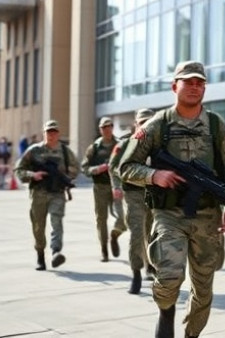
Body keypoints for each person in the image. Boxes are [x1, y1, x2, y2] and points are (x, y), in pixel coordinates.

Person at [118, 60, 225, 338]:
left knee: (203, 287)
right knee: (169, 276)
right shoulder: (156, 125)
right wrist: (154, 175)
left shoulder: (215, 125)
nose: (194, 87)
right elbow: (125, 167)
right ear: (175, 86)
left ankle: (191, 333)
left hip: (208, 216)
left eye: (200, 83)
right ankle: (166, 312)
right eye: (189, 82)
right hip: (169, 213)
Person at [15, 120, 79, 270]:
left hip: (57, 193)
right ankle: (40, 256)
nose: (51, 135)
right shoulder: (34, 150)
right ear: (44, 133)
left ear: (58, 134)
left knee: (57, 222)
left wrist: (65, 175)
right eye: (48, 132)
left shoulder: (65, 151)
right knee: (38, 226)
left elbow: (76, 168)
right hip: (38, 193)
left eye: (54, 132)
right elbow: (18, 170)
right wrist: (32, 174)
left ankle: (56, 251)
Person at [110, 108, 157, 294]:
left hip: (154, 195)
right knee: (137, 233)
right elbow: (113, 167)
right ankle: (136, 272)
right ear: (136, 124)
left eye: (149, 122)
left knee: (152, 233)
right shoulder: (124, 145)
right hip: (133, 195)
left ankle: (151, 266)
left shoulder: (159, 144)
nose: (145, 125)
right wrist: (120, 182)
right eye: (142, 122)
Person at [82, 116, 127, 262]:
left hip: (117, 187)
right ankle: (104, 250)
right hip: (100, 187)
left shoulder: (120, 145)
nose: (106, 130)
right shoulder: (94, 147)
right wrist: (98, 169)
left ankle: (115, 234)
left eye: (109, 126)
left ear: (112, 128)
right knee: (101, 219)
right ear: (100, 130)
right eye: (103, 127)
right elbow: (84, 168)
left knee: (124, 216)